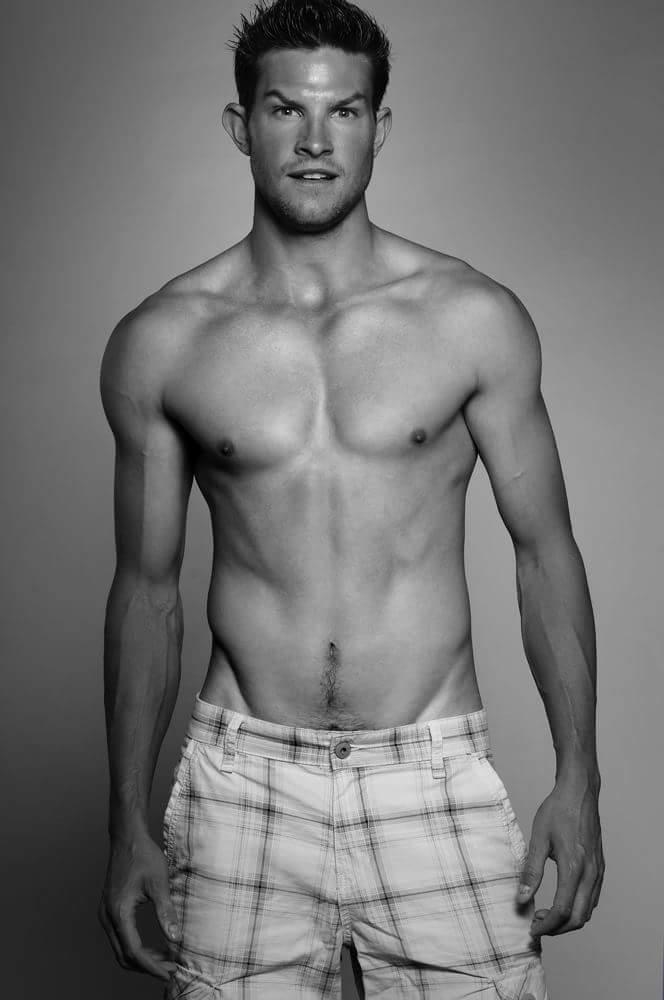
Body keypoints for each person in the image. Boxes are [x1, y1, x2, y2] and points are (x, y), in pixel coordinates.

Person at [97, 1, 604, 997]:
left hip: (431, 770)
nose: (316, 141)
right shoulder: (163, 341)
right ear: (242, 125)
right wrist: (124, 819)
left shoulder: (471, 318)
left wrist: (579, 775)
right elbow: (146, 593)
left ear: (380, 125)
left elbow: (546, 552)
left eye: (345, 111)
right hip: (243, 783)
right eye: (286, 109)